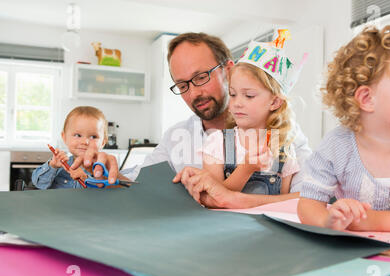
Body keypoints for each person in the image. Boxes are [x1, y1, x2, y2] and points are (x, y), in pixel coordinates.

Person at [74, 32, 312, 207]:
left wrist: (233, 198)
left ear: (228, 71)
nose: (194, 93)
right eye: (182, 85)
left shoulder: (284, 134)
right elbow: (138, 182)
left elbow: (310, 199)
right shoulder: (176, 137)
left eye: (200, 77)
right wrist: (107, 170)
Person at [297, 25, 390, 232]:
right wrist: (328, 222)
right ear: (367, 99)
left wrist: (372, 221)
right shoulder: (337, 145)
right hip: (354, 254)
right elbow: (308, 204)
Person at [200, 36, 306, 197]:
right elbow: (212, 198)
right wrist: (246, 168)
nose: (237, 103)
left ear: (275, 102)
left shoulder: (284, 149)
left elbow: (282, 202)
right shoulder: (217, 143)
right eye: (233, 94)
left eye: (249, 96)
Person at [32, 106, 108, 189]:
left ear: (103, 142)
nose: (84, 142)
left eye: (93, 137)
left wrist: (85, 179)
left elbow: (107, 196)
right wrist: (52, 166)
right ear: (64, 138)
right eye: (77, 135)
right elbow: (39, 184)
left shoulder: (105, 170)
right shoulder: (59, 164)